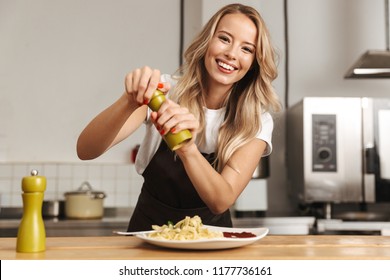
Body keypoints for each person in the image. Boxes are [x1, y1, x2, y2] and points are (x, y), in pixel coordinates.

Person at [76, 3, 281, 231]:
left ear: (254, 62)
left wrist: (187, 150)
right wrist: (128, 101)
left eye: (247, 49)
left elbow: (220, 201)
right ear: (207, 41)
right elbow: (86, 150)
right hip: (146, 234)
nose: (231, 54)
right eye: (224, 38)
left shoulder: (256, 121)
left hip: (211, 241)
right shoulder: (164, 91)